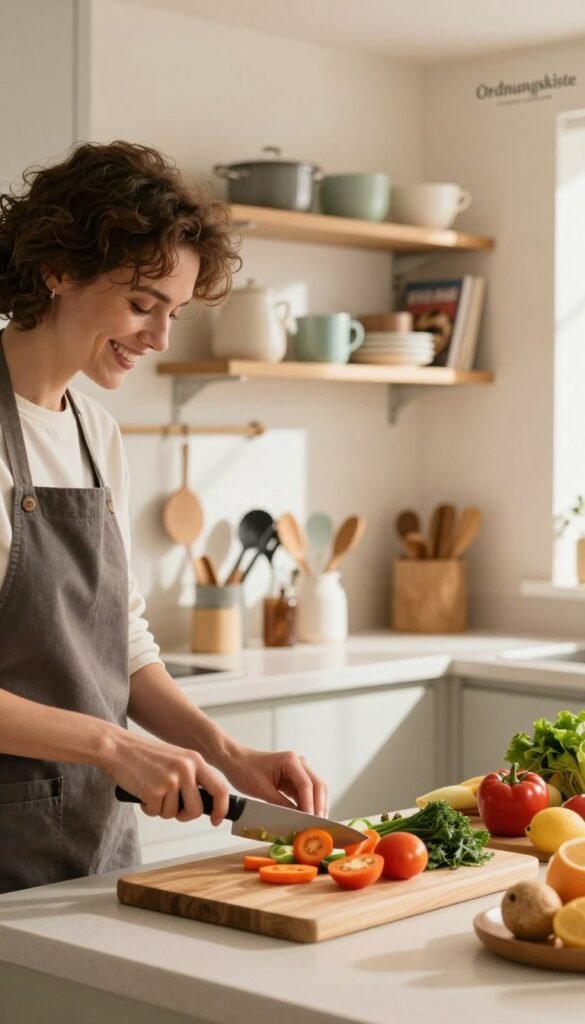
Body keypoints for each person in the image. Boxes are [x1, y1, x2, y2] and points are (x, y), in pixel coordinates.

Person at [0, 140, 327, 894]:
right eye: (142, 304)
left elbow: (122, 638)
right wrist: (116, 748)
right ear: (60, 269)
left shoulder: (95, 430)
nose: (160, 337)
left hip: (94, 837)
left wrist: (228, 752)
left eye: (173, 312)